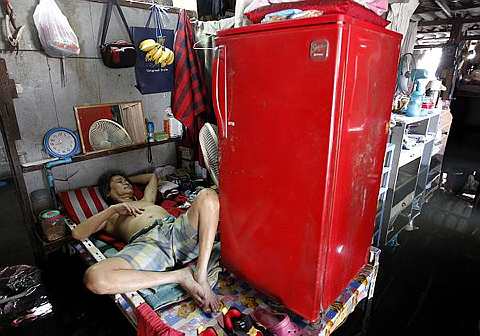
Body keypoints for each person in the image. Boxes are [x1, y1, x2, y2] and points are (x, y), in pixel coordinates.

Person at [72, 170, 220, 312]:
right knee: (95, 278)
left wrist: (128, 177)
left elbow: (151, 177)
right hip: (148, 244)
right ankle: (180, 275)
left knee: (208, 195)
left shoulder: (146, 200)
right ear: (108, 192)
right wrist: (113, 209)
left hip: (173, 229)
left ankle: (201, 274)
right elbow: (77, 233)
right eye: (119, 181)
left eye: (126, 181)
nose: (126, 183)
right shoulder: (110, 217)